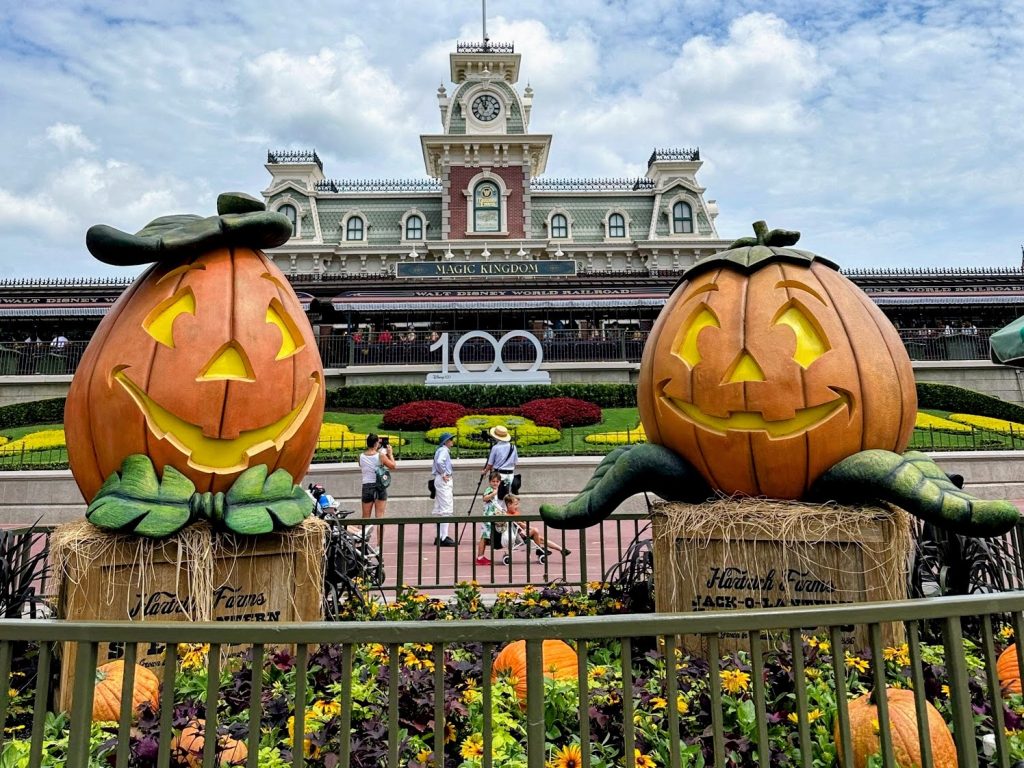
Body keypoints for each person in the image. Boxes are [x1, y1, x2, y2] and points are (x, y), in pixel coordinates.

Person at [360, 433, 396, 550]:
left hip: (366, 486)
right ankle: (379, 546)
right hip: (379, 487)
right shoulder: (380, 456)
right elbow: (393, 466)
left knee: (365, 517)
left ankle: (364, 543)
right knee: (379, 517)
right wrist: (390, 454)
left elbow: (362, 465)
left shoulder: (360, 456)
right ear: (376, 443)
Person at [503, 495, 570, 557]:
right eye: (516, 504)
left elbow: (522, 525)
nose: (518, 506)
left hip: (523, 532)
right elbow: (521, 524)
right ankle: (539, 550)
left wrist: (527, 529)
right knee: (535, 530)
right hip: (519, 536)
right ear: (509, 504)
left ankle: (561, 550)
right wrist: (531, 528)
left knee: (541, 539)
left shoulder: (516, 512)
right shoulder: (508, 515)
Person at [475, 471, 505, 565]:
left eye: (497, 481)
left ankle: (481, 556)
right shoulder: (490, 489)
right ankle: (480, 557)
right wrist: (493, 493)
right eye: (493, 481)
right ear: (489, 482)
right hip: (487, 518)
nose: (495, 483)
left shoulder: (496, 490)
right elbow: (484, 498)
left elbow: (494, 504)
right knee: (484, 537)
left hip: (492, 517)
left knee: (486, 537)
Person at [432, 432, 456, 546]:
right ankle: (443, 537)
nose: (452, 441)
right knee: (446, 508)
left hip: (440, 480)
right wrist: (443, 473)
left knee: (440, 508)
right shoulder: (444, 450)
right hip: (444, 480)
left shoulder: (441, 450)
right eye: (450, 439)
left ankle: (440, 535)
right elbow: (439, 462)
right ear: (446, 441)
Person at [481, 424, 518, 496]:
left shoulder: (495, 448)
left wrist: (485, 472)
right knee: (507, 498)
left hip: (499, 475)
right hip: (510, 475)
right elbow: (515, 462)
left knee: (498, 498)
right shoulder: (513, 447)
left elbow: (490, 464)